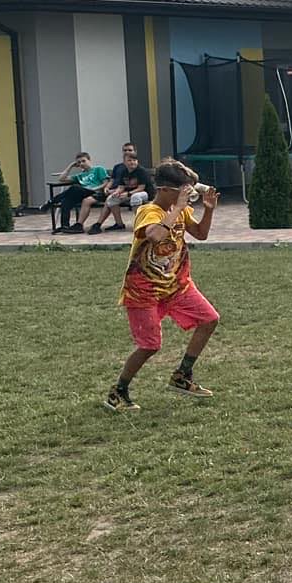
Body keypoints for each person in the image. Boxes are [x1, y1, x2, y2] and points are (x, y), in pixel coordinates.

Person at [104, 161, 220, 411]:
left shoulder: (182, 211)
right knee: (150, 345)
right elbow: (155, 235)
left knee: (210, 319)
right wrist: (177, 207)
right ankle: (118, 391)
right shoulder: (149, 211)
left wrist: (208, 210)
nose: (188, 197)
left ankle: (182, 375)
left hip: (177, 285)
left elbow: (201, 234)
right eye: (184, 191)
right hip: (143, 289)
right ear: (167, 190)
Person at [87, 143, 152, 235]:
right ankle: (119, 224)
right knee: (111, 199)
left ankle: (141, 223)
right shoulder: (123, 171)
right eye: (129, 161)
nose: (132, 162)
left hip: (144, 193)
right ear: (125, 163)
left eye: (134, 160)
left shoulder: (141, 171)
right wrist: (116, 193)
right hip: (129, 192)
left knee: (135, 197)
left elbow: (141, 188)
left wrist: (128, 194)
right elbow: (121, 187)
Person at [49, 152, 109, 231]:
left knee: (74, 187)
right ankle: (65, 226)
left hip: (97, 193)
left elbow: (106, 183)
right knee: (66, 201)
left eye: (84, 161)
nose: (82, 163)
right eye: (79, 162)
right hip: (84, 194)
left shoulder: (98, 169)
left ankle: (51, 201)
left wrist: (94, 188)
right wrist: (70, 166)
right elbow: (61, 179)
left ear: (89, 160)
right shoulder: (80, 176)